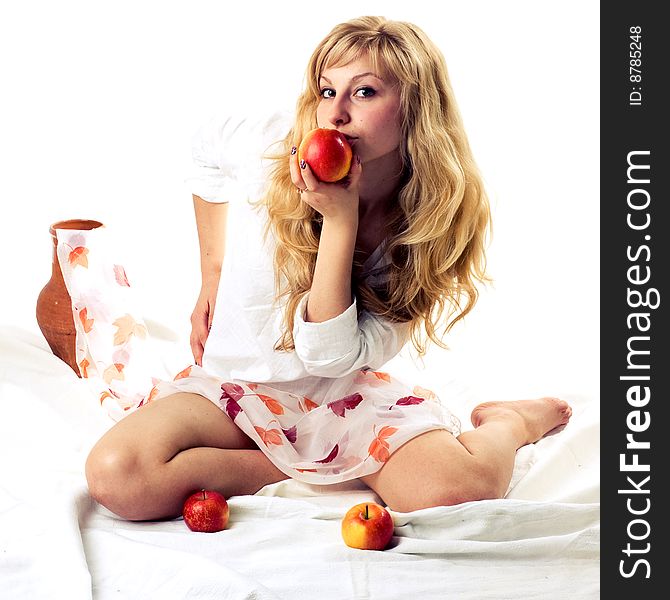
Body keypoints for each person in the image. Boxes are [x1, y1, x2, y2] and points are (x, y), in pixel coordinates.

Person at [85, 16, 571, 520]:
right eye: (326, 90)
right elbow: (205, 152)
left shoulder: (428, 223)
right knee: (117, 475)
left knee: (456, 492)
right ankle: (341, 469)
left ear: (415, 108)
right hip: (234, 388)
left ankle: (510, 423)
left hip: (341, 399)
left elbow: (329, 358)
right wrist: (212, 275)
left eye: (363, 92)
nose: (335, 114)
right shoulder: (275, 146)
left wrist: (341, 221)